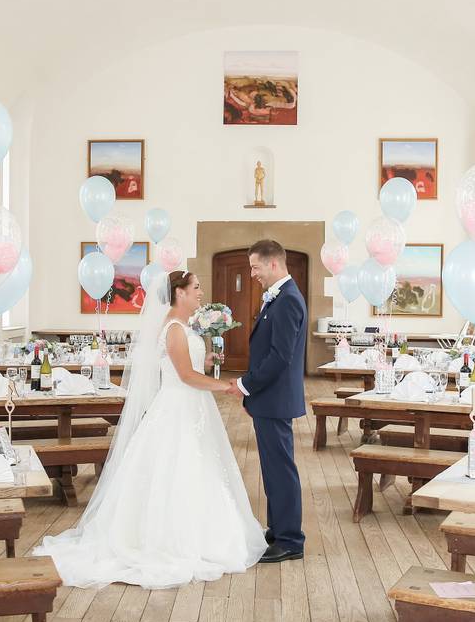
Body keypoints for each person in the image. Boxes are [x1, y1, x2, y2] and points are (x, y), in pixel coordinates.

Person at [34, 271, 267, 589]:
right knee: (176, 465)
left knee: (198, 465)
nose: (201, 293)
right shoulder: (173, 327)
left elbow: (184, 362)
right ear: (180, 293)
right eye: (196, 288)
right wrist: (226, 386)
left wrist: (206, 356)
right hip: (178, 405)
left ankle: (204, 528)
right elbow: (185, 375)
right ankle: (169, 538)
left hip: (193, 407)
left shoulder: (182, 326)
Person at [226, 239, 307, 563]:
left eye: (255, 267)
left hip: (275, 399)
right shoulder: (281, 297)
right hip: (270, 399)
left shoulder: (287, 300)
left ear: (274, 264)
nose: (252, 273)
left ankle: (290, 540)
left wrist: (245, 385)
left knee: (281, 469)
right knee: (273, 469)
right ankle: (278, 530)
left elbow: (279, 357)